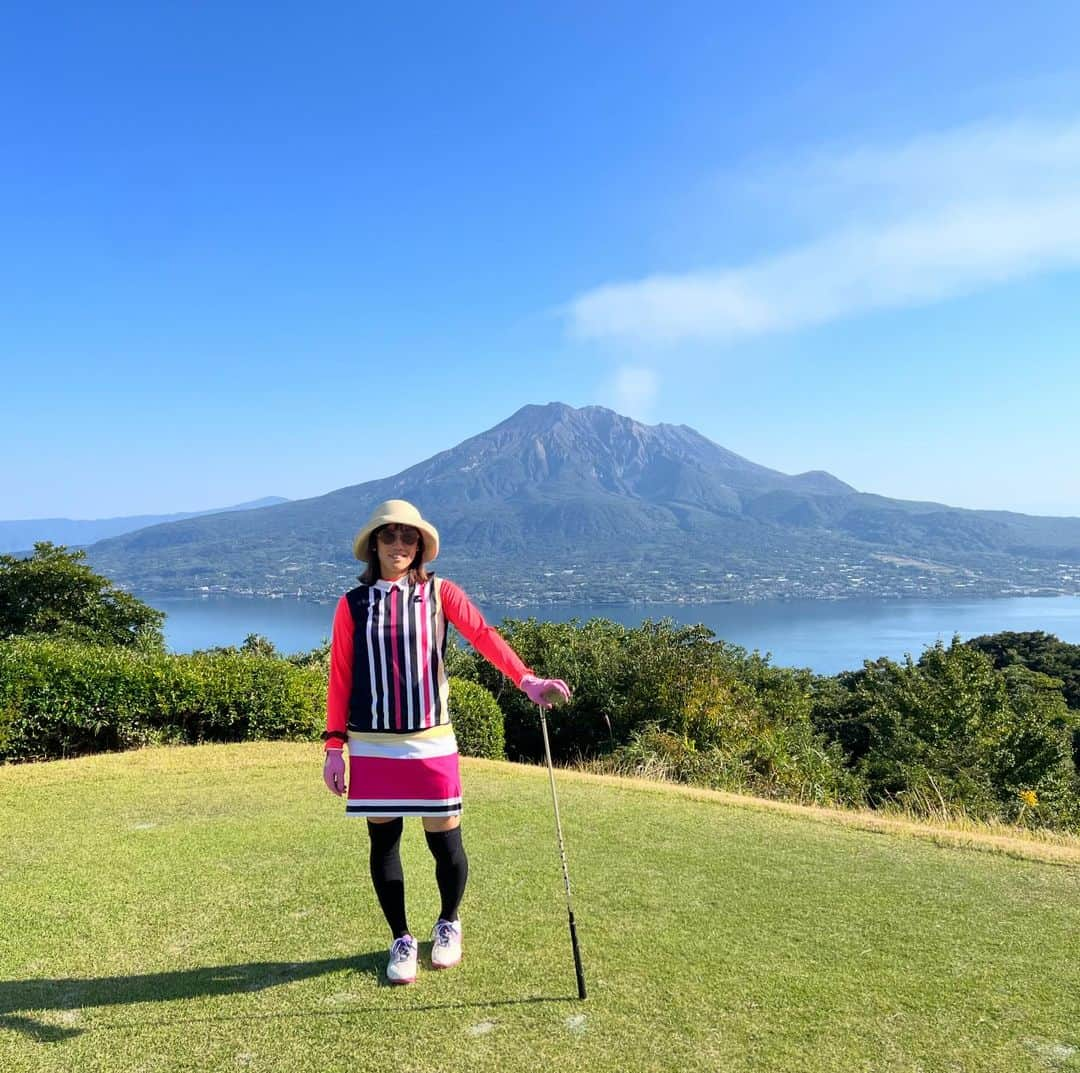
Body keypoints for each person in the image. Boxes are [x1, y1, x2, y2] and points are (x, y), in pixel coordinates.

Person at [322, 499, 571, 984]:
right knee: (384, 843)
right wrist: (334, 747)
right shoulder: (352, 604)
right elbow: (341, 675)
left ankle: (448, 921)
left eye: (408, 537)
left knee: (446, 841)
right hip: (372, 743)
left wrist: (527, 681)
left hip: (431, 740)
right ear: (374, 543)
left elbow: (483, 635)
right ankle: (400, 938)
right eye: (389, 535)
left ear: (420, 547)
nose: (399, 544)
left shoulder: (440, 593)